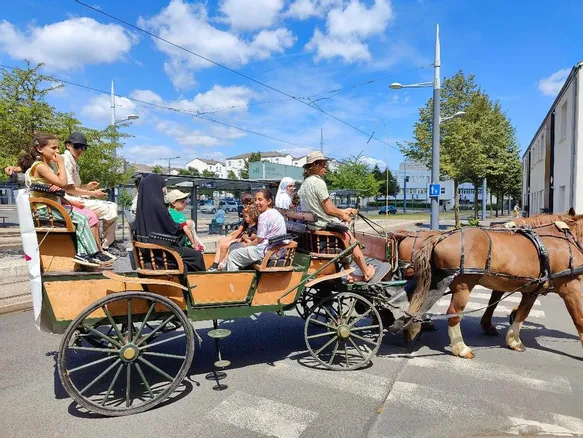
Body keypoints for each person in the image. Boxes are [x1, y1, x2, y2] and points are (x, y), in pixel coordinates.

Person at [18, 133, 110, 268]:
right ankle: (91, 253)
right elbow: (63, 182)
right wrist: (61, 163)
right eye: (53, 148)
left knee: (82, 217)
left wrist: (56, 185)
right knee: (82, 219)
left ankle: (85, 253)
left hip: (52, 207)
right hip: (44, 210)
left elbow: (59, 185)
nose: (57, 152)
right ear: (40, 149)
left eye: (57, 148)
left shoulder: (46, 166)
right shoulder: (40, 166)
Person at [298, 151, 375, 282]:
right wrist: (344, 216)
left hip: (313, 226)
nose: (326, 167)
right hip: (324, 225)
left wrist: (344, 211)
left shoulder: (304, 184)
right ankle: (366, 272)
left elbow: (321, 208)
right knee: (353, 243)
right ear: (314, 165)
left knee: (344, 239)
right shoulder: (318, 183)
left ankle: (348, 275)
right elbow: (329, 209)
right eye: (322, 164)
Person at [61, 133, 124, 256]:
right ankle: (107, 244)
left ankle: (106, 242)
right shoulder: (65, 160)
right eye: (77, 146)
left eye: (83, 147)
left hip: (71, 196)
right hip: (68, 199)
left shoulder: (72, 161)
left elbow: (74, 187)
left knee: (111, 206)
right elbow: (69, 188)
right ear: (68, 145)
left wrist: (87, 187)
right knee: (109, 208)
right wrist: (92, 193)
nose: (80, 150)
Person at [134, 174, 205, 272]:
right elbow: (170, 228)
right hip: (161, 251)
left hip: (151, 248)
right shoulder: (157, 205)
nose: (163, 189)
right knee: (196, 256)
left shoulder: (143, 204)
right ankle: (199, 282)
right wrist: (182, 227)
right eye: (162, 186)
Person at [226, 189, 286, 271]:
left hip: (266, 252)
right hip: (276, 250)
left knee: (233, 255)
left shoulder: (264, 216)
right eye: (255, 200)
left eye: (260, 200)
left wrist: (247, 245)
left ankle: (235, 281)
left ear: (269, 201)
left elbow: (259, 239)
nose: (257, 203)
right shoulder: (276, 213)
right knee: (238, 248)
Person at [208, 204, 259, 271]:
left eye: (246, 217)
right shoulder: (248, 223)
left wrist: (240, 238)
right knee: (223, 242)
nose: (244, 218)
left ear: (252, 216)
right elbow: (241, 231)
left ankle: (221, 263)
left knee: (226, 246)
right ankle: (217, 264)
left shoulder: (255, 225)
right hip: (242, 239)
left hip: (245, 241)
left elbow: (252, 235)